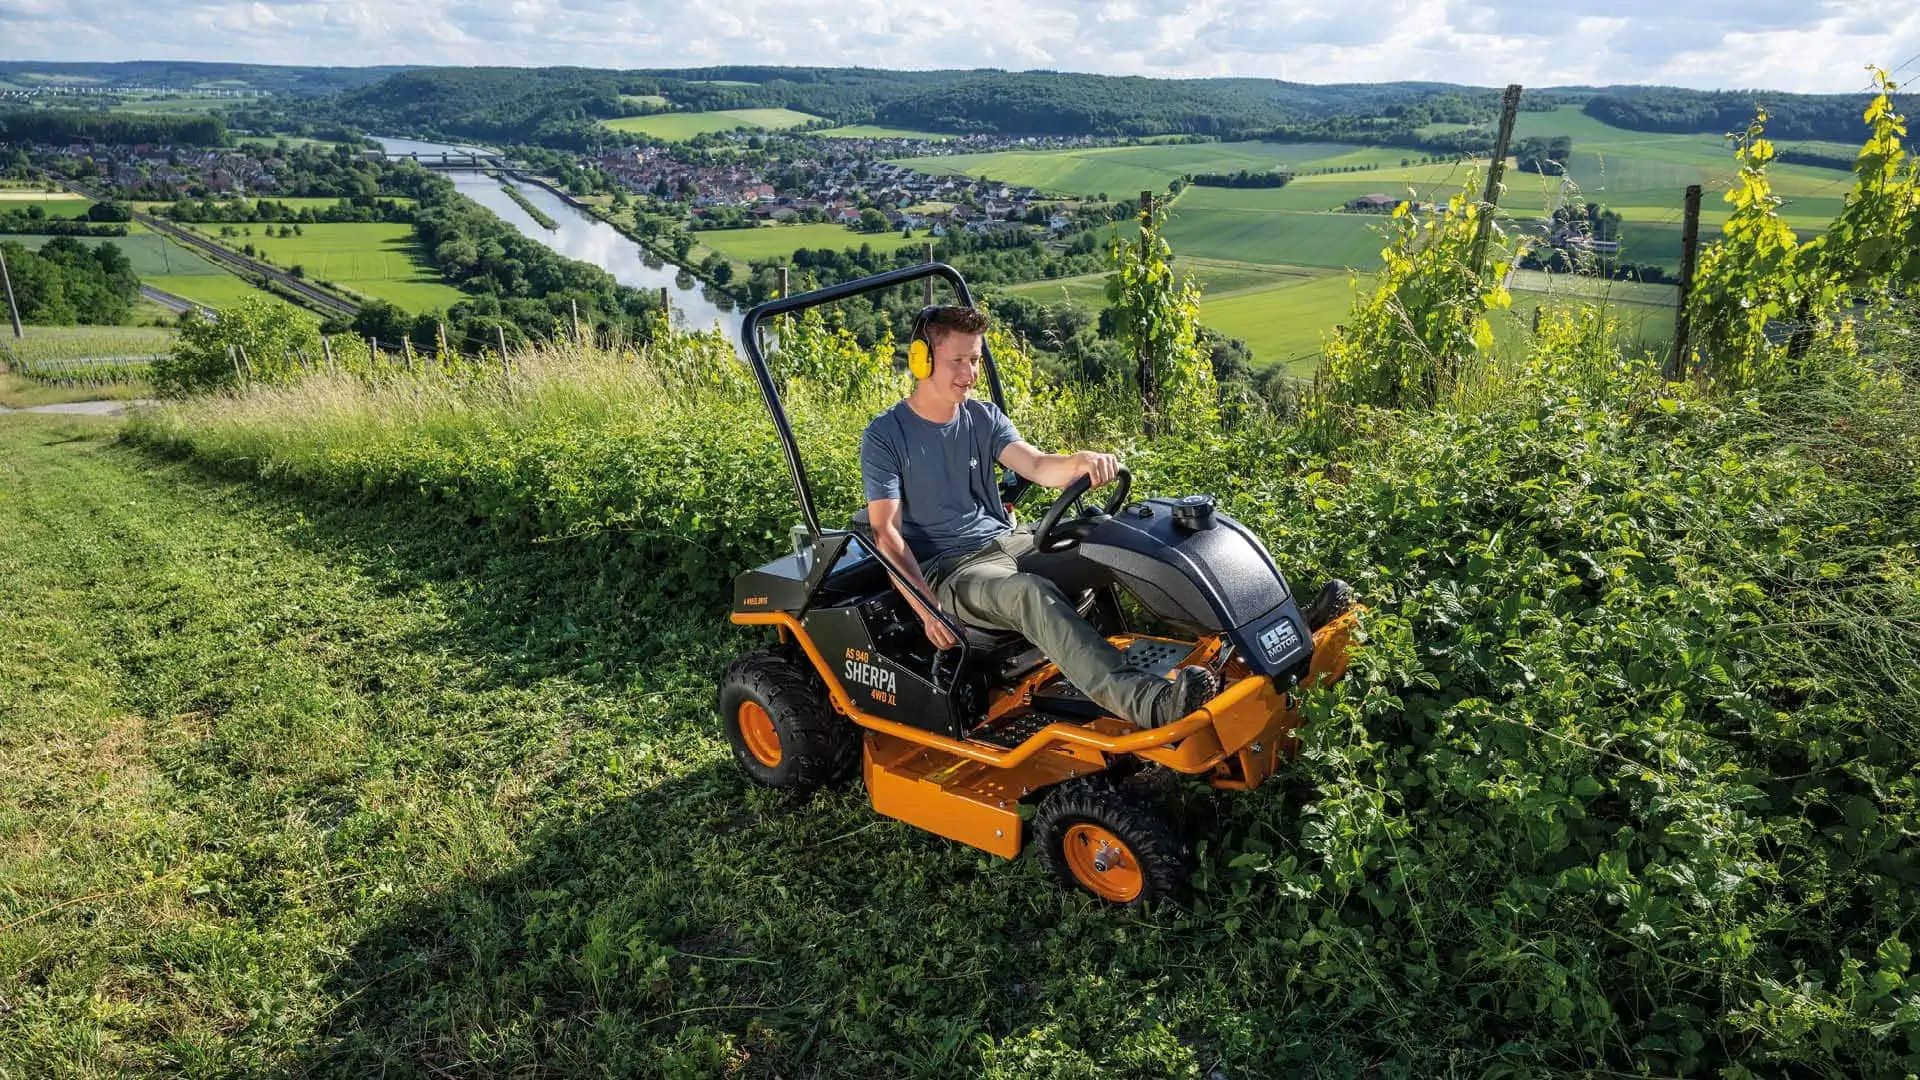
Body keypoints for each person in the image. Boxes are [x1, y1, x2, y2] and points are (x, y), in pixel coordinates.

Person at [858, 305, 1217, 729]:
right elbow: (886, 533)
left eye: (975, 359)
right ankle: (1150, 704)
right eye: (958, 360)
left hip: (1009, 542)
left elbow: (1040, 466)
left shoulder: (982, 416)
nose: (970, 373)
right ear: (922, 359)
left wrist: (1080, 461)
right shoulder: (885, 436)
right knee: (1028, 593)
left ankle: (1241, 636)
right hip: (952, 573)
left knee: (1115, 540)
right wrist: (927, 608)